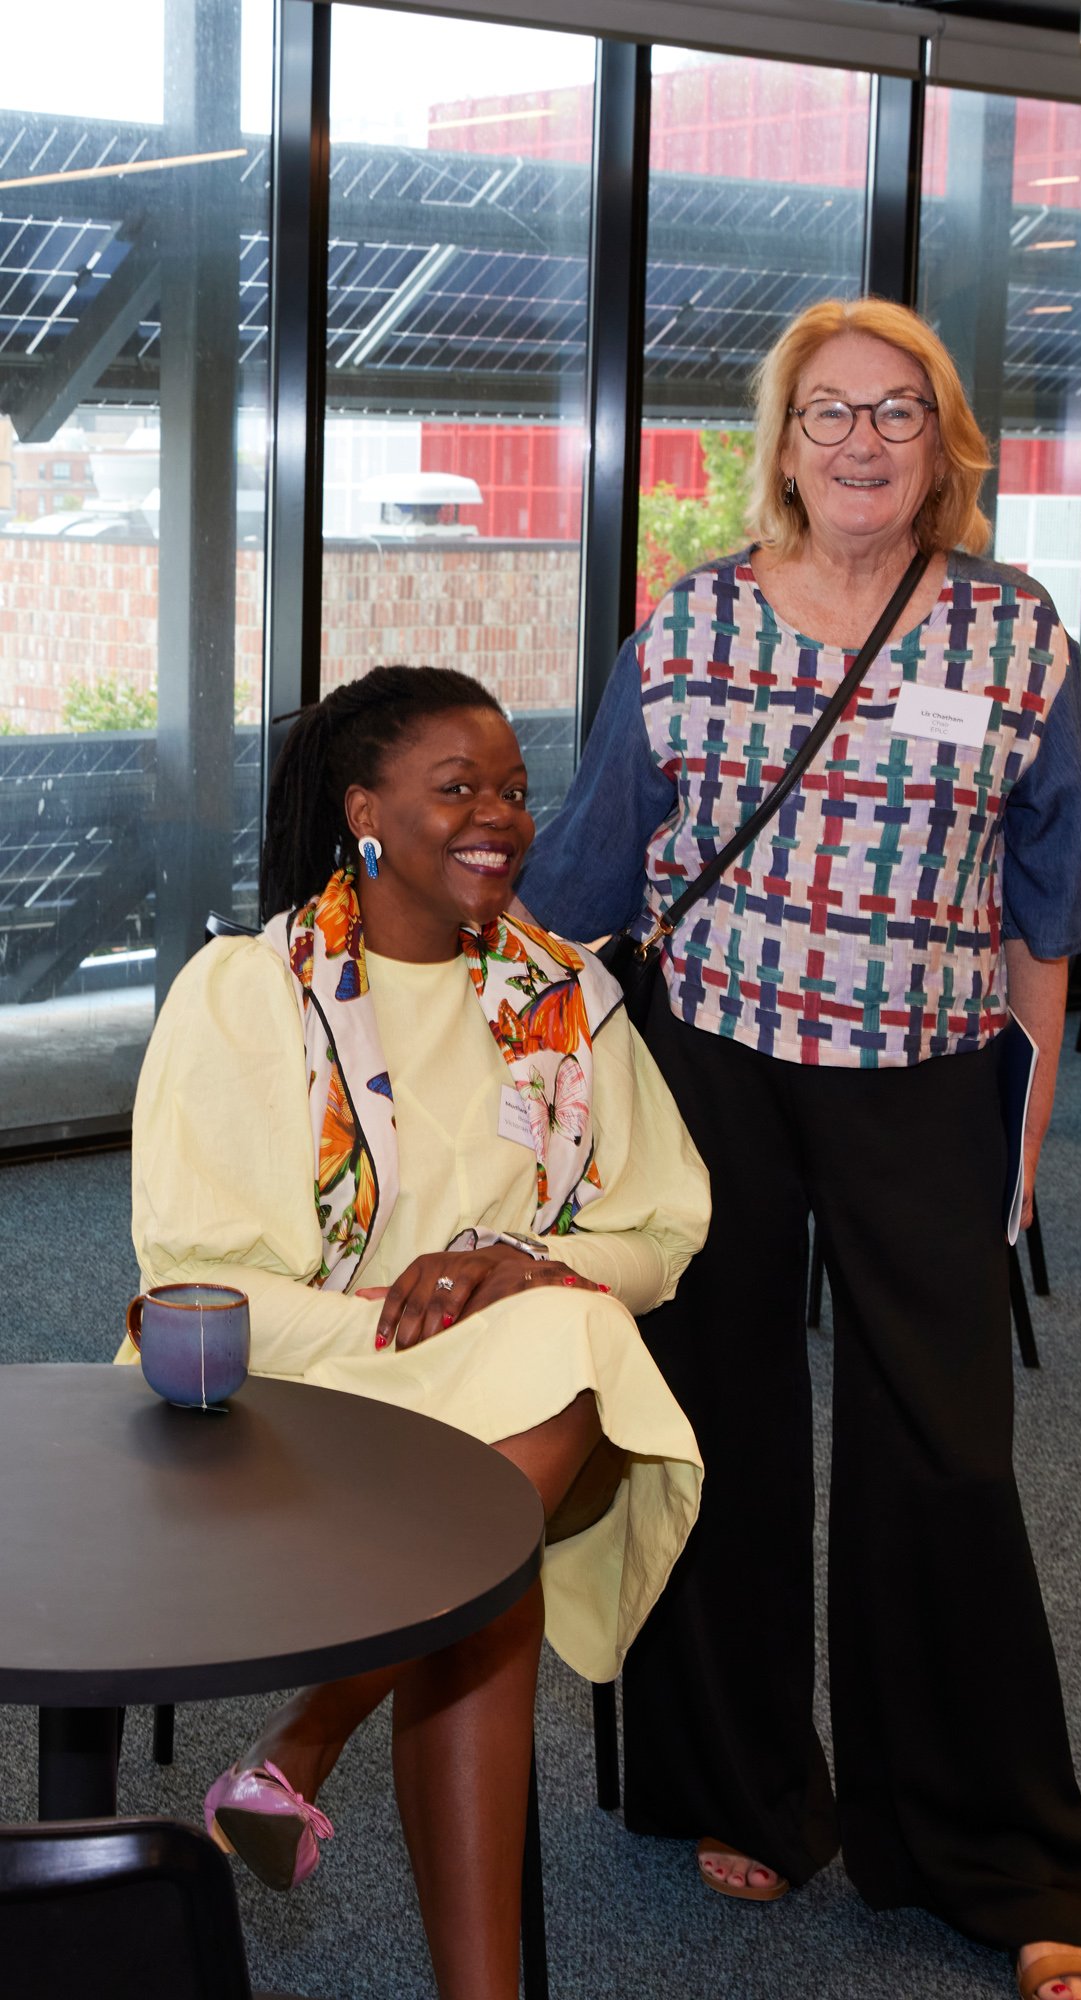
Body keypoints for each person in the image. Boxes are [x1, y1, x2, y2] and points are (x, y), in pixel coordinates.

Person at [517, 298, 1081, 2000]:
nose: (860, 444)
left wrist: (1027, 1134)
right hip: (712, 1064)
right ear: (779, 445)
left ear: (945, 446)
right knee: (714, 1418)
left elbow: (1041, 912)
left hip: (923, 1075)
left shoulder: (1016, 635)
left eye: (897, 414)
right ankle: (746, 1788)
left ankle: (989, 1851)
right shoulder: (691, 621)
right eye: (826, 414)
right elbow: (585, 880)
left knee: (943, 1450)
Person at [124, 665, 708, 2000]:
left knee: (564, 1334)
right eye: (458, 789)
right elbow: (198, 1278)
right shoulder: (250, 991)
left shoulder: (566, 996)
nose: (500, 815)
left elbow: (666, 1224)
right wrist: (404, 1324)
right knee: (497, 1544)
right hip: (288, 1381)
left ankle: (308, 1743)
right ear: (364, 808)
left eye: (511, 788)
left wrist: (517, 1262)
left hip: (505, 1408)